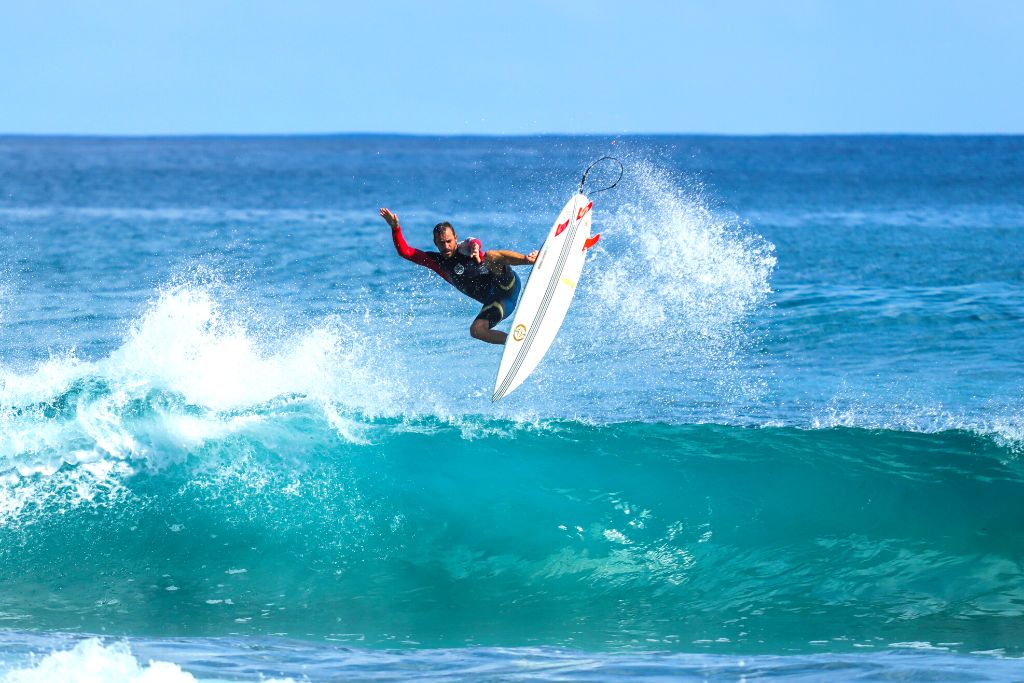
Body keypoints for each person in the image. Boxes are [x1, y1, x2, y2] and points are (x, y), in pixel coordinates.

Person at [379, 208, 538, 345]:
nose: (446, 246)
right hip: (498, 302)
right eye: (441, 243)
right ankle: (514, 343)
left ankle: (529, 260)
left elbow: (474, 241)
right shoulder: (436, 261)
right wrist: (395, 228)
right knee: (476, 330)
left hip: (506, 284)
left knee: (490, 255)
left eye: (449, 241)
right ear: (435, 242)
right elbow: (405, 252)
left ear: (455, 238)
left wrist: (476, 247)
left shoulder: (465, 248)